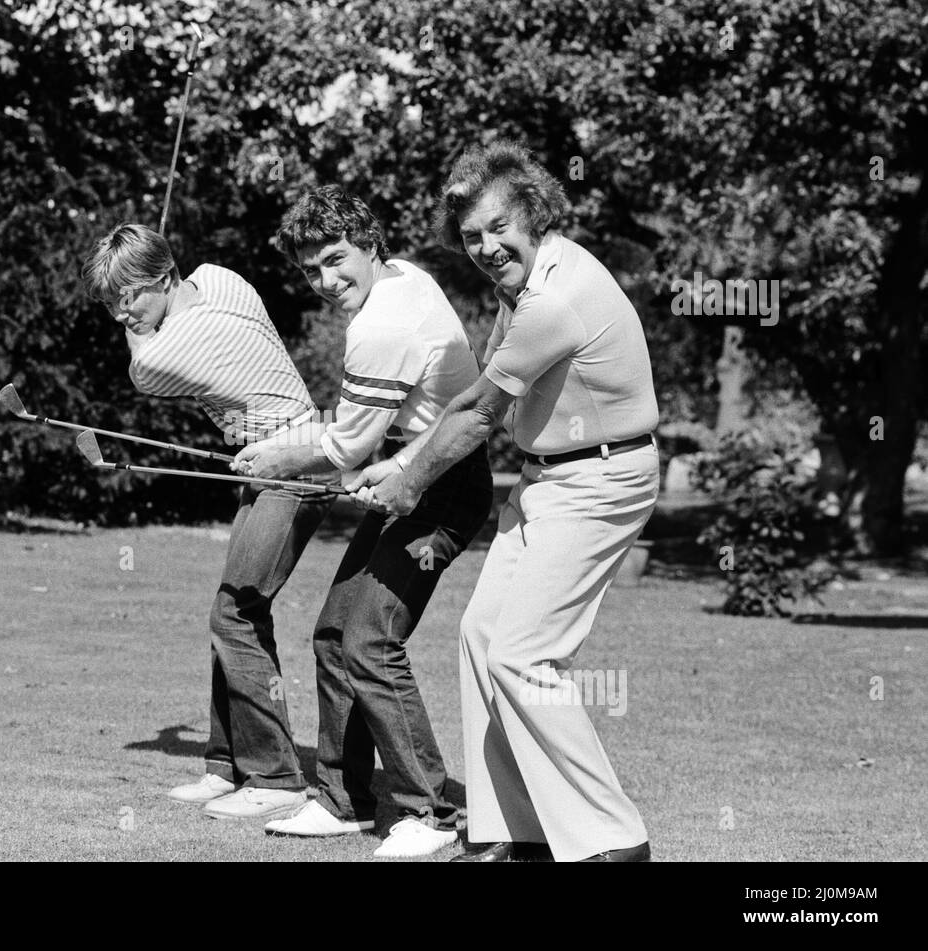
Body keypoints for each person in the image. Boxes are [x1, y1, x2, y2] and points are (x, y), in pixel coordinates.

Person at [350, 141, 659, 862]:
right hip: (550, 478)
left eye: (498, 227)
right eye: (471, 236)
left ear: (536, 214)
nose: (486, 247)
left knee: (526, 655)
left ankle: (614, 841)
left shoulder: (554, 299)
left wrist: (408, 484)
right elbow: (476, 395)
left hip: (602, 480)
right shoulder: (520, 289)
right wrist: (396, 460)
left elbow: (484, 413)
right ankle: (516, 831)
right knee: (483, 636)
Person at [232, 187, 493, 858]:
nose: (325, 280)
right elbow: (372, 439)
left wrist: (276, 457)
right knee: (333, 633)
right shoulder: (404, 276)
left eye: (335, 258)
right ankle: (342, 799)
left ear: (370, 244)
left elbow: (344, 447)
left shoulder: (379, 326)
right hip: (419, 469)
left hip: (445, 488)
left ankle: (428, 813)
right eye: (310, 269)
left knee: (371, 640)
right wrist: (390, 461)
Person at [81, 223, 332, 821]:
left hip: (294, 468)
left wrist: (149, 326)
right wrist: (154, 288)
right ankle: (229, 765)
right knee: (235, 610)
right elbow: (188, 294)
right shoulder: (223, 279)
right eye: (110, 302)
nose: (121, 315)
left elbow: (142, 372)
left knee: (235, 614)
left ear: (164, 279)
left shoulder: (166, 351)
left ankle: (274, 776)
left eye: (130, 298)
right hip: (280, 454)